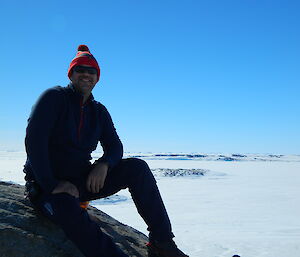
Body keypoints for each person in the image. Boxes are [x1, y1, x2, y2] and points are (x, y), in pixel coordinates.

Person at [24, 45, 189, 257]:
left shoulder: (98, 111)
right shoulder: (54, 97)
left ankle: (162, 242)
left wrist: (104, 164)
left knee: (137, 168)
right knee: (66, 207)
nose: (86, 74)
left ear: (97, 78)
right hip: (48, 188)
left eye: (91, 71)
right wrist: (52, 184)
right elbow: (34, 141)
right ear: (71, 74)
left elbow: (115, 146)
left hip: (82, 181)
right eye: (80, 69)